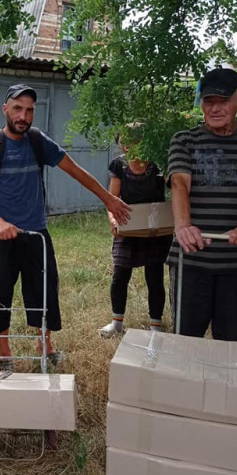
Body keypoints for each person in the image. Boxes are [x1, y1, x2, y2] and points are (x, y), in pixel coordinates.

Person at [0, 83, 130, 370]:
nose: (23, 115)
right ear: (5, 109)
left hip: (36, 235)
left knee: (44, 292)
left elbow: (75, 170)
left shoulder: (37, 141)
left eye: (29, 110)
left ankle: (45, 346)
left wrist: (108, 199)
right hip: (1, 235)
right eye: (17, 108)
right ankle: (4, 353)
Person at [168, 67, 237, 340]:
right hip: (191, 261)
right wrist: (183, 226)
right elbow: (179, 183)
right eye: (208, 101)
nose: (215, 109)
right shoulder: (184, 140)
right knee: (184, 341)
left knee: (236, 345)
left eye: (223, 101)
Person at [99, 123, 172, 337]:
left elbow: (176, 186)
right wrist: (113, 221)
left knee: (155, 277)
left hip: (155, 231)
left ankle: (155, 327)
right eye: (125, 141)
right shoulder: (118, 166)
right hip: (128, 228)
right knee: (120, 275)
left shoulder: (158, 165)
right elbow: (112, 200)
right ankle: (117, 324)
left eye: (135, 140)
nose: (128, 146)